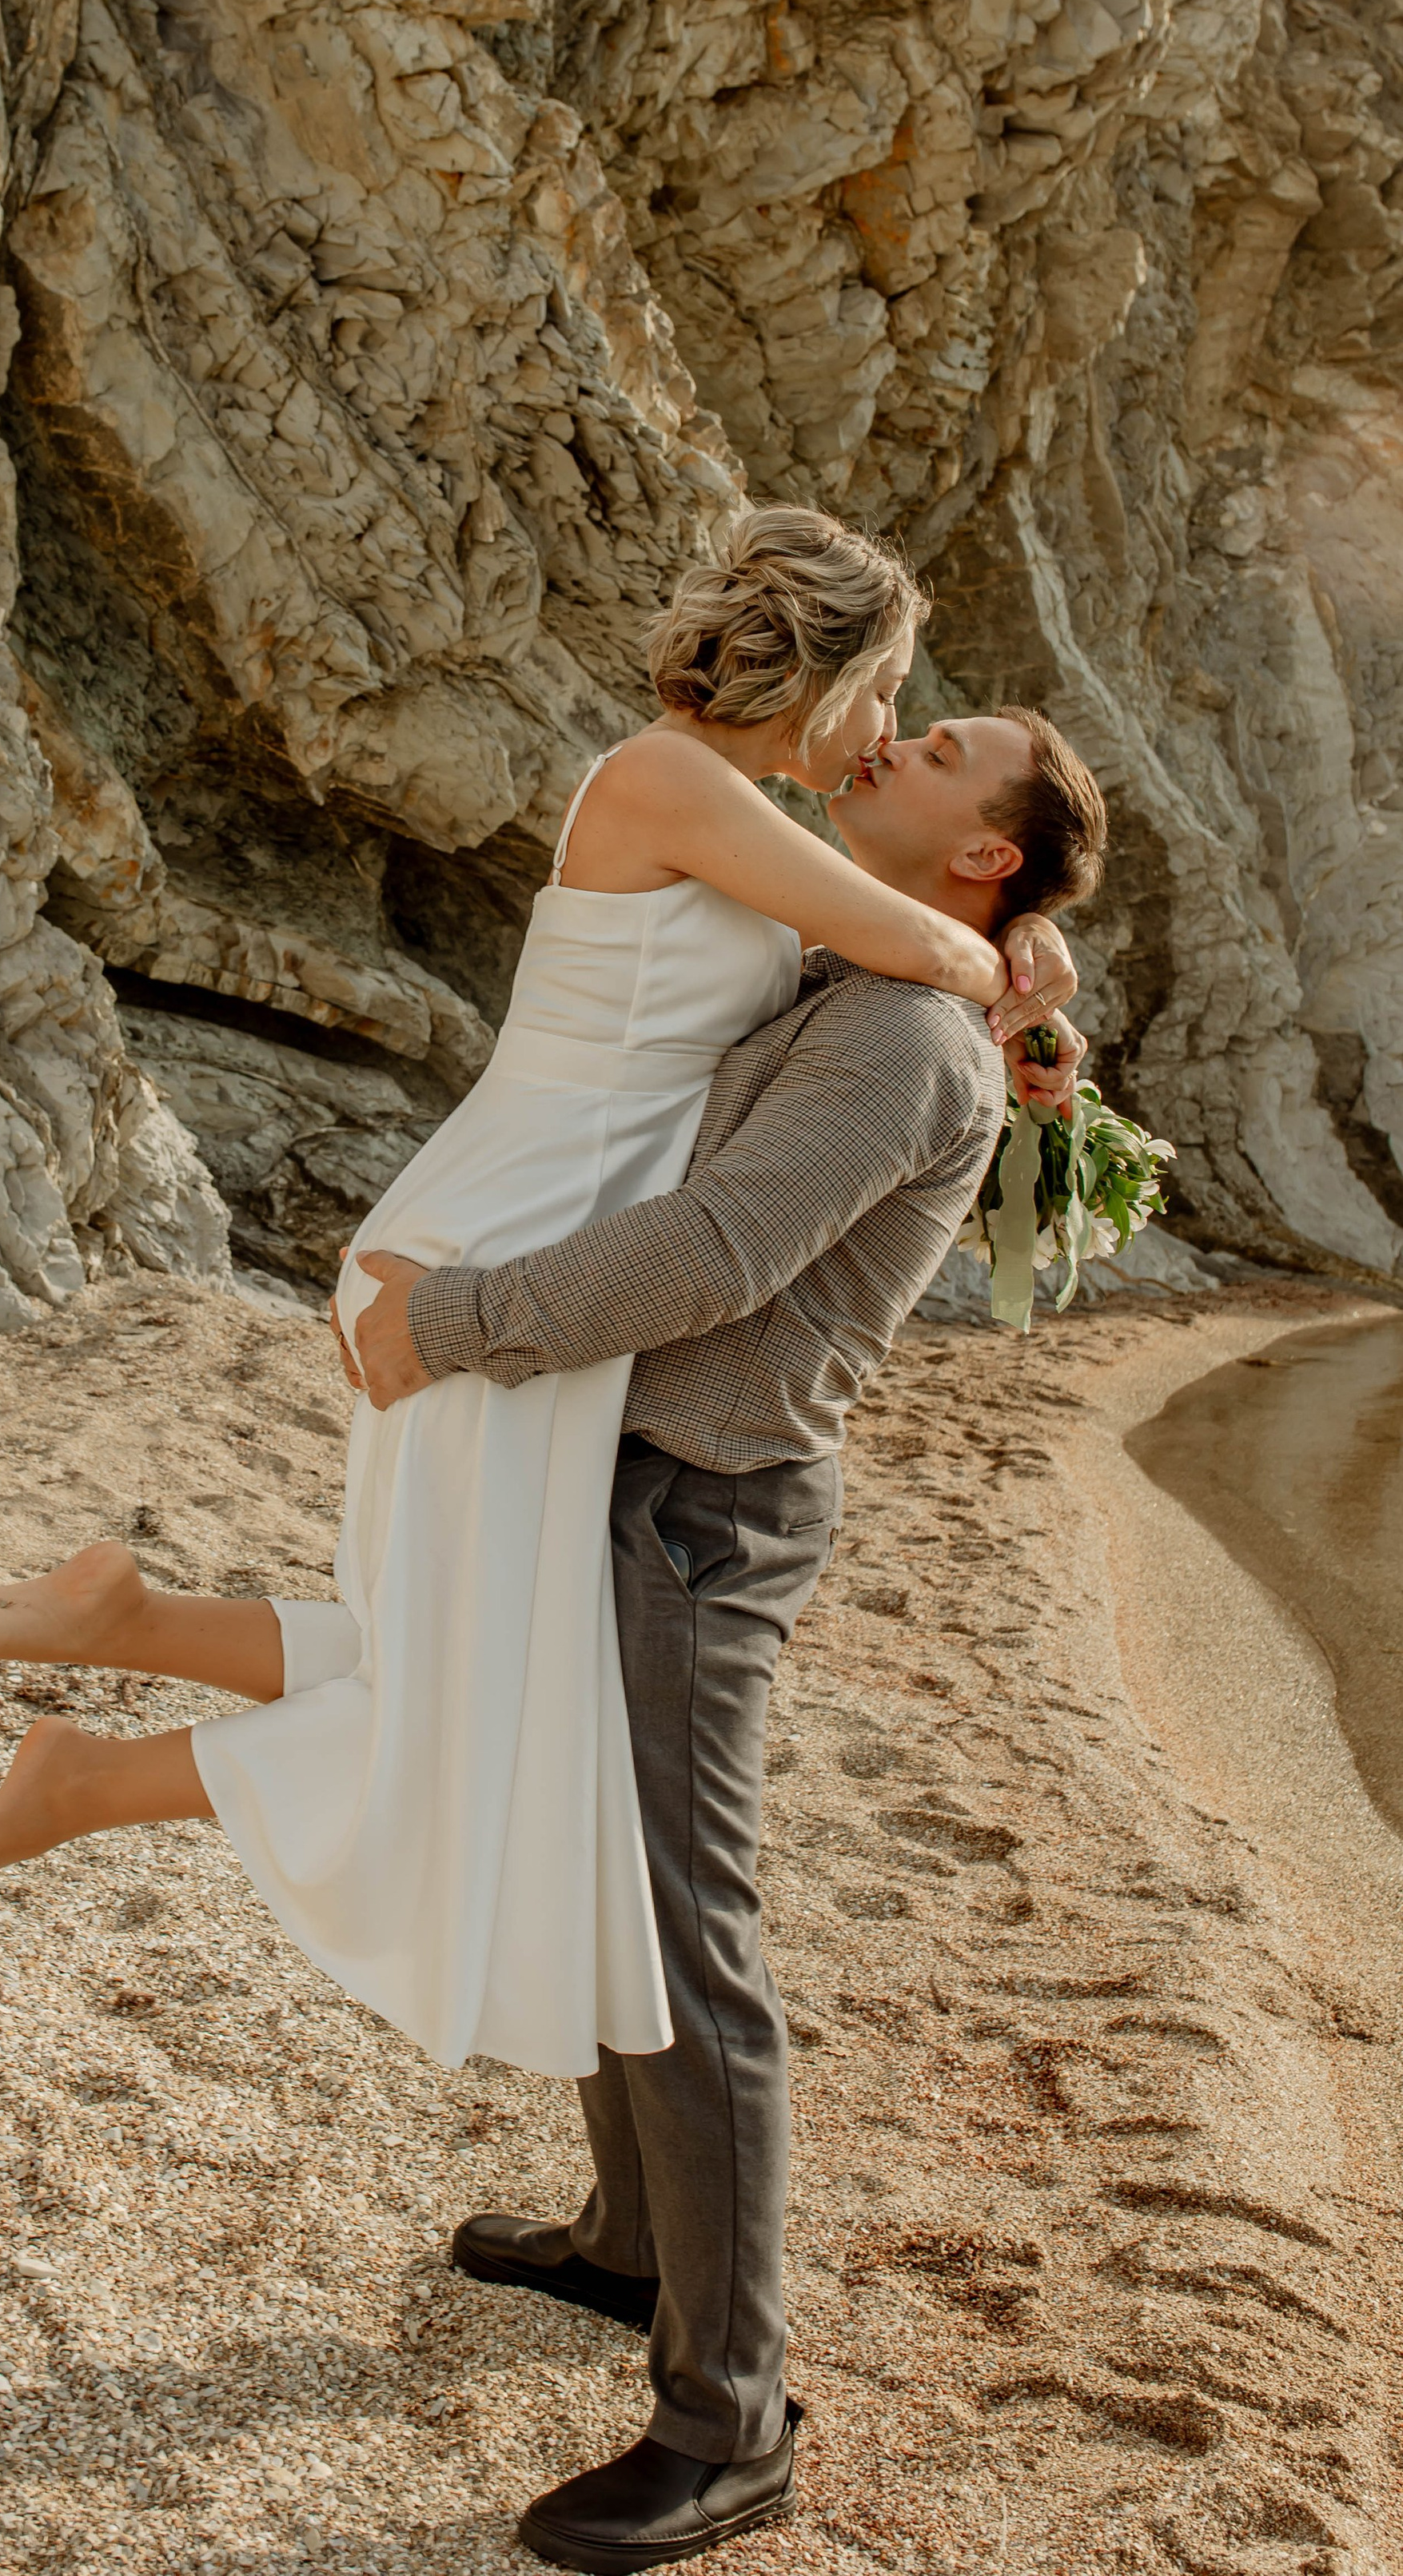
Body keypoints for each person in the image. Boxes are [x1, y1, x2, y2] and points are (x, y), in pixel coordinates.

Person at [0, 509, 1069, 2033]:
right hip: (509, 1238)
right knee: (479, 1697)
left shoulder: (729, 816)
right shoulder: (672, 782)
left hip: (533, 1227)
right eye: (890, 695)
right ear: (828, 664)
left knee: (460, 1648)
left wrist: (1014, 980)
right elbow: (937, 955)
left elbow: (860, 978)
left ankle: (121, 1629)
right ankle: (89, 1771)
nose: (885, 733)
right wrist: (1016, 961)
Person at [330, 693, 1106, 2569]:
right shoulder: (884, 974)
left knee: (685, 1938)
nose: (890, 741)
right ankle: (625, 2246)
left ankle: (727, 2419)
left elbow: (714, 1254)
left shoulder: (905, 1035)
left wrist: (441, 1325)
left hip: (696, 1510)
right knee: (607, 1873)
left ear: (983, 846)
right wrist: (1033, 1000)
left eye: (934, 747)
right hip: (641, 1473)